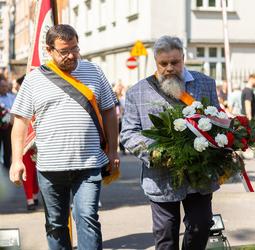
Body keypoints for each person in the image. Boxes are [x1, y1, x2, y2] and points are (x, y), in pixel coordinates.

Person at [9, 24, 119, 250]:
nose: (71, 55)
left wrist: (113, 150)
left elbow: (109, 111)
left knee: (87, 218)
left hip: (89, 163)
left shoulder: (94, 71)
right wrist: (16, 160)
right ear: (49, 50)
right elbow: (20, 122)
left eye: (75, 49)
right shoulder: (33, 79)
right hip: (50, 166)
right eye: (64, 51)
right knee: (56, 224)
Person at [121, 35, 219, 250]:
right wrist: (156, 152)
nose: (169, 68)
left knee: (200, 225)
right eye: (163, 64)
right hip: (160, 175)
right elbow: (128, 133)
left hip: (199, 173)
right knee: (166, 233)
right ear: (155, 62)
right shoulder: (137, 92)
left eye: (175, 62)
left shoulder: (205, 84)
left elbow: (217, 121)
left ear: (183, 58)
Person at [0, 78, 16, 169]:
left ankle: (7, 168)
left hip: (8, 127)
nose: (4, 88)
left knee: (8, 149)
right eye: (2, 86)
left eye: (6, 86)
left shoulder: (12, 97)